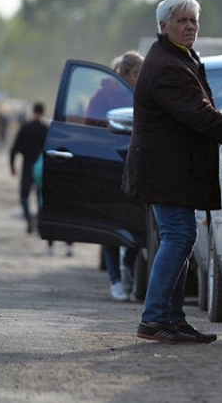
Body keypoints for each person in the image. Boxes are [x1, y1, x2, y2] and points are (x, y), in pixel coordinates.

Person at [123, 0, 222, 344]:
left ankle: (172, 319)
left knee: (180, 237)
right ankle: (154, 319)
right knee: (179, 237)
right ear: (163, 26)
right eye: (181, 20)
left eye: (193, 20)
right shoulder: (167, 66)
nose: (190, 26)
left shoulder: (179, 58)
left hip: (173, 171)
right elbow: (201, 115)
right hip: (166, 171)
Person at [86, 51, 145, 302]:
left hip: (133, 166)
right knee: (111, 227)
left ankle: (127, 266)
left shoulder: (139, 95)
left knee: (134, 221)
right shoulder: (102, 97)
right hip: (108, 165)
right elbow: (91, 125)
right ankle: (115, 280)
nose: (139, 79)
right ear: (123, 74)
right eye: (136, 75)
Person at [9, 101, 49, 234]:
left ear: (33, 112)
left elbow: (14, 148)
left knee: (24, 196)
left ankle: (28, 217)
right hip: (41, 169)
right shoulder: (46, 130)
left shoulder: (25, 128)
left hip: (27, 166)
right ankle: (38, 220)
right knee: (40, 197)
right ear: (43, 113)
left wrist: (12, 166)